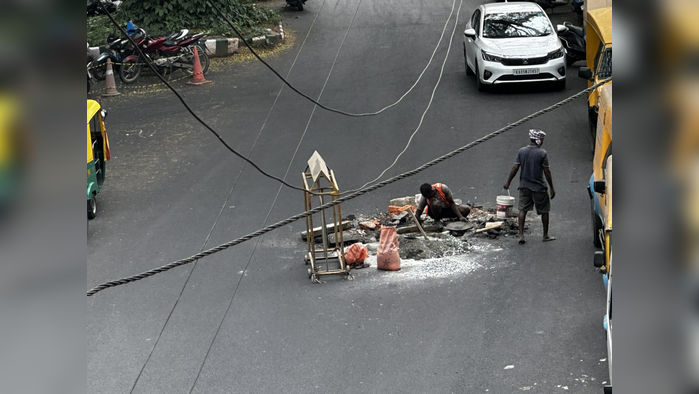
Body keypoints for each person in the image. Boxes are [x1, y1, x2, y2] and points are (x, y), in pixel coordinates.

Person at [503, 129, 556, 244]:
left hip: (524, 186)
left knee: (523, 210)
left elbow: (515, 168)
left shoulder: (522, 151)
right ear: (538, 140)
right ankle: (545, 235)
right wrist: (551, 187)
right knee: (544, 211)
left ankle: (521, 235)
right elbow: (547, 171)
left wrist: (508, 182)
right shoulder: (542, 153)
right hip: (539, 187)